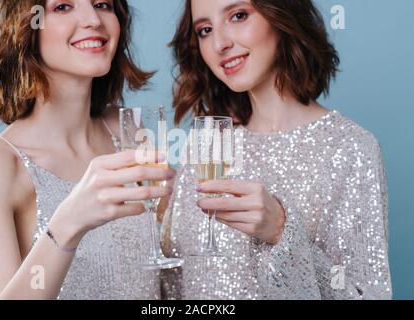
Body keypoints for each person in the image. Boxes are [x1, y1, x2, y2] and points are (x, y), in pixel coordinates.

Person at [161, 0, 392, 299]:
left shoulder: (350, 148)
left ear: (281, 15)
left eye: (238, 15)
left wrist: (283, 233)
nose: (220, 43)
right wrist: (160, 220)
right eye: (205, 30)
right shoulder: (206, 147)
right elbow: (174, 287)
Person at [0, 0, 174, 300]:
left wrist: (175, 215)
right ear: (27, 25)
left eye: (102, 4)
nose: (93, 20)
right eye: (63, 6)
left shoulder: (128, 131)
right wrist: (68, 224)